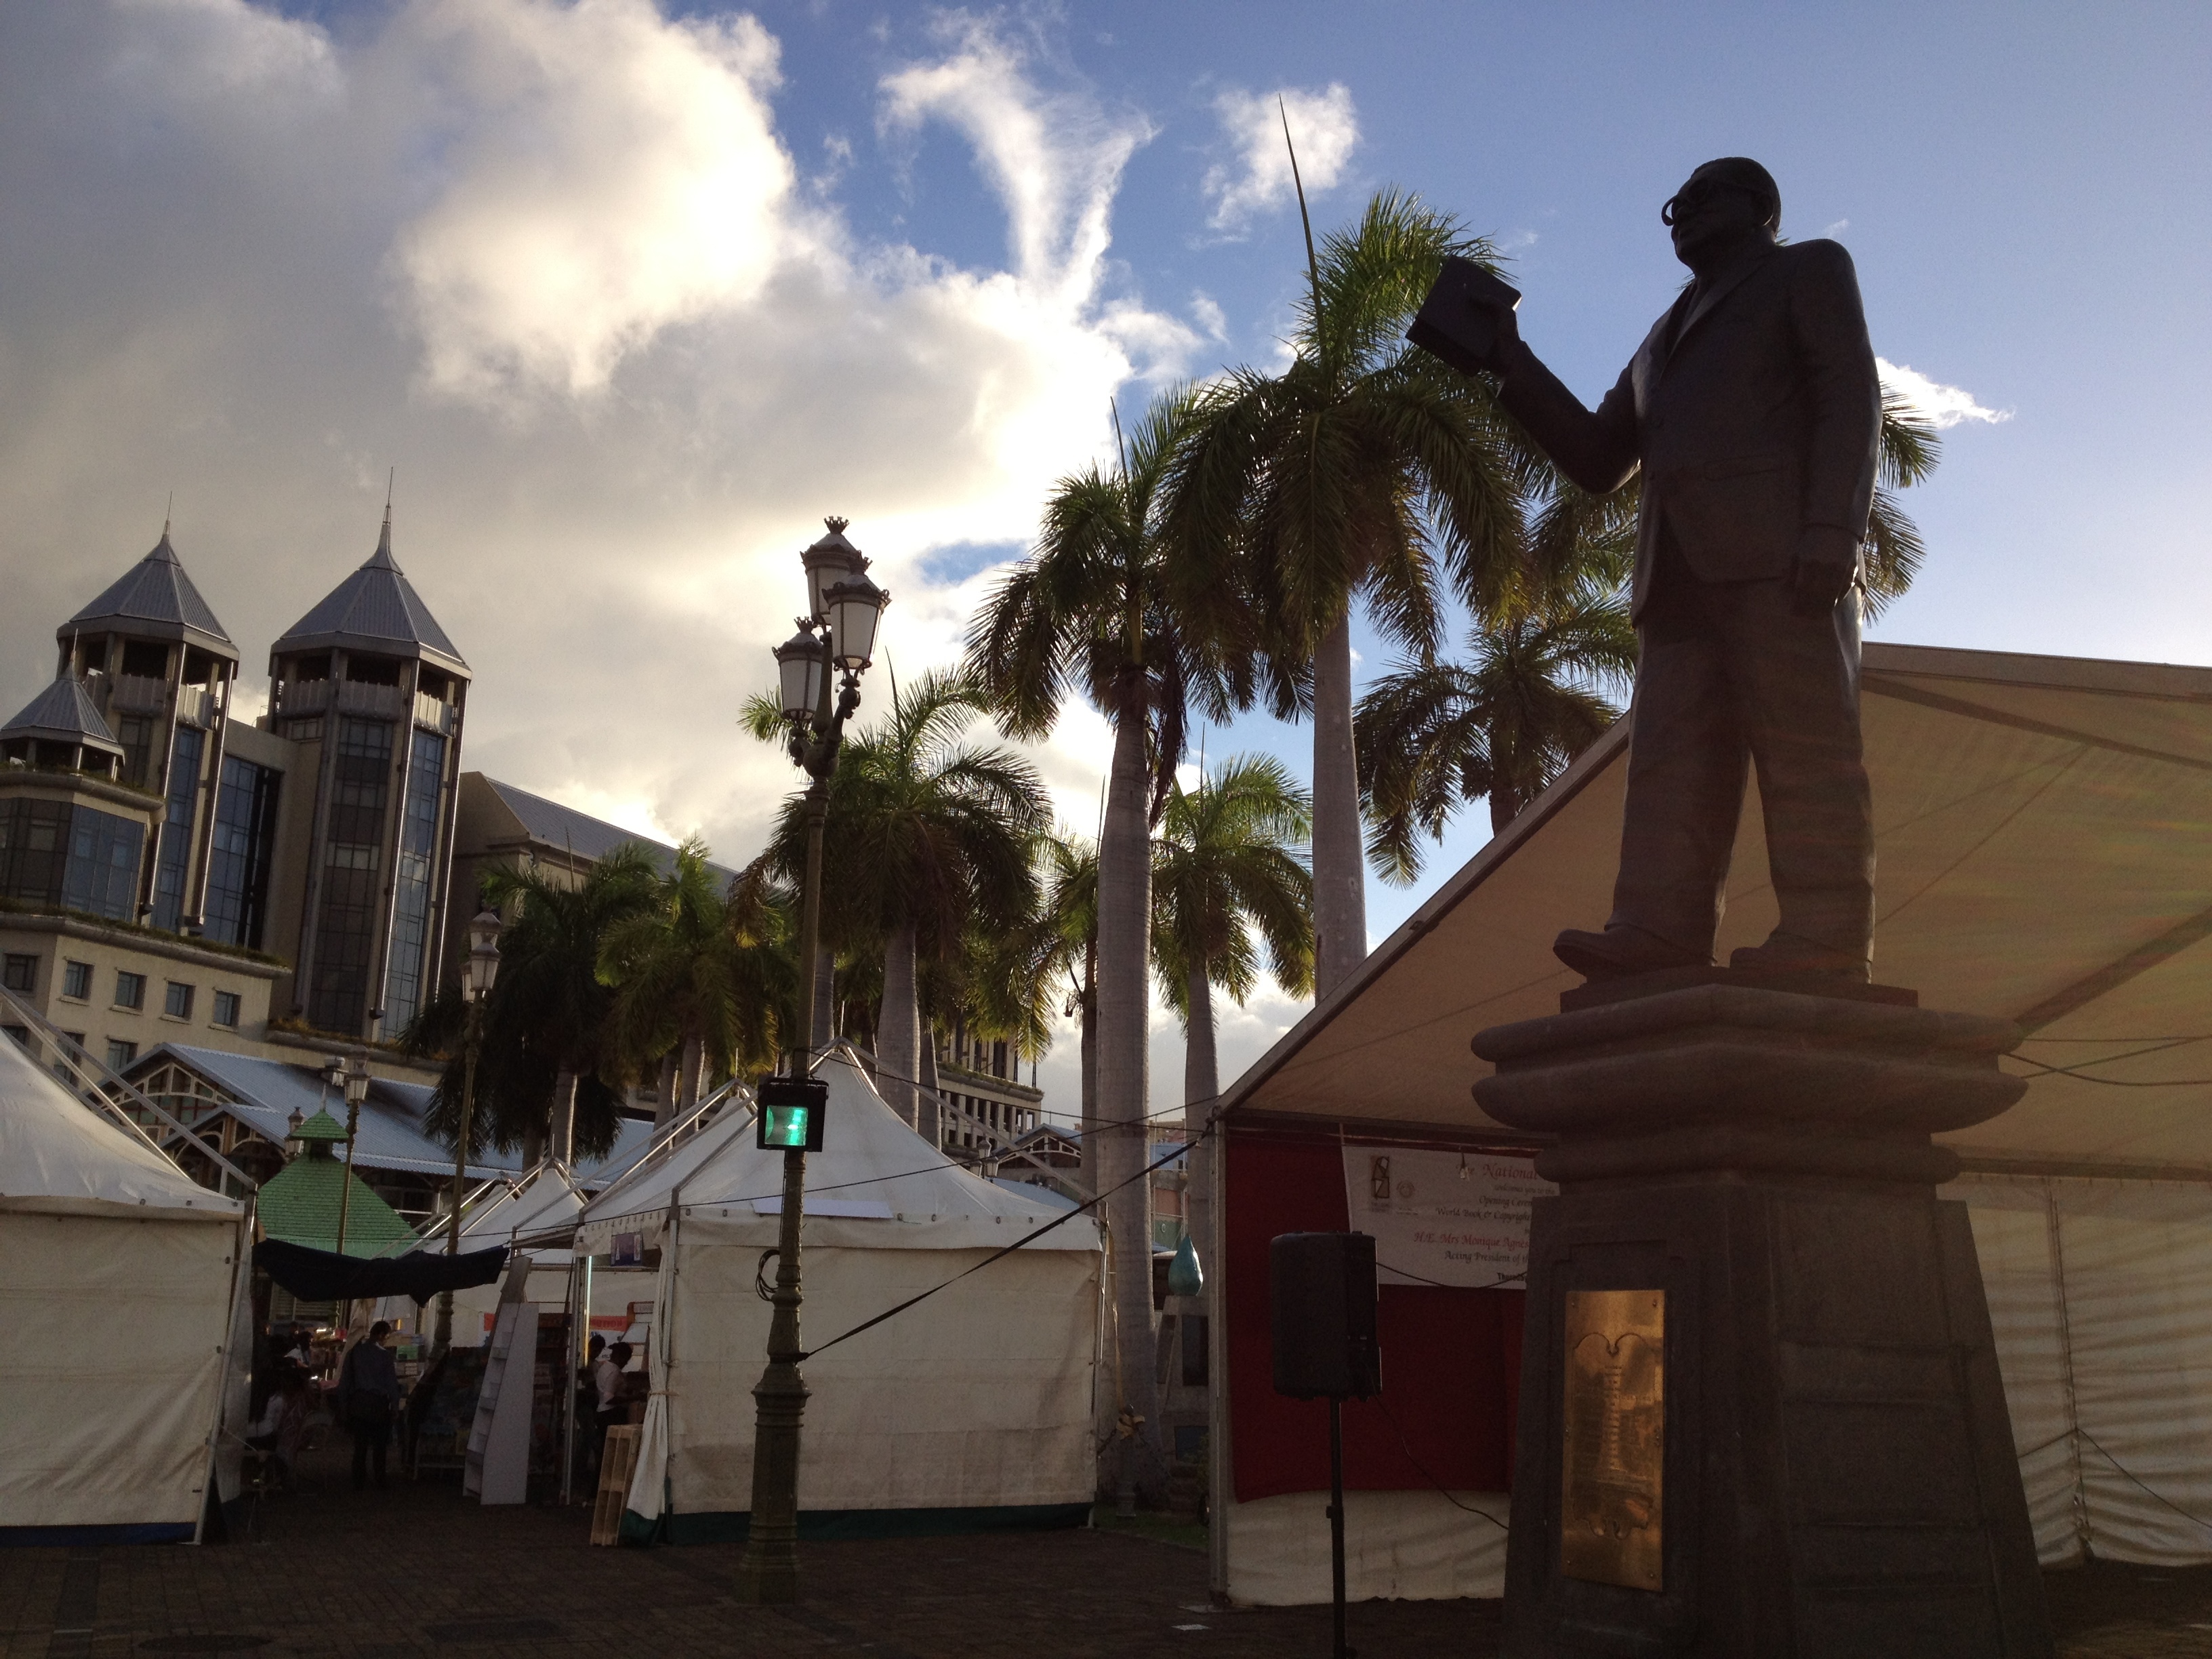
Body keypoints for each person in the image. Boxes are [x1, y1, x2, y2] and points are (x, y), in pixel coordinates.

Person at [1470, 157, 1883, 983]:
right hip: (1677, 574)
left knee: (1807, 751)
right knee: (1672, 761)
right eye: (1674, 207)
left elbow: (1849, 394)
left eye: (1703, 197)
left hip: (1782, 556)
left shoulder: (1809, 269)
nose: (1682, 213)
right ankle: (1658, 931)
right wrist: (1501, 356)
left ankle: (1829, 936)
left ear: (1762, 207)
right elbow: (1595, 457)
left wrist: (1833, 529)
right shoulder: (1662, 337)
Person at [337, 1321, 405, 1491]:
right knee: (380, 1446)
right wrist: (395, 1407)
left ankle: (358, 1480)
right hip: (379, 1404)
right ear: (382, 1335)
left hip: (359, 1403)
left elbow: (345, 1383)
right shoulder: (385, 1356)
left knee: (360, 1445)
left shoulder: (354, 1353)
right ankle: (380, 1478)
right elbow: (391, 1384)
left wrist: (343, 1406)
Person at [246, 1367, 311, 1483]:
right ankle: (271, 1476)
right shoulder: (277, 1399)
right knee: (277, 1440)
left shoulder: (249, 1398)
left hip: (247, 1440)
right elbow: (276, 1425)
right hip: (266, 1440)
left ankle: (253, 1477)